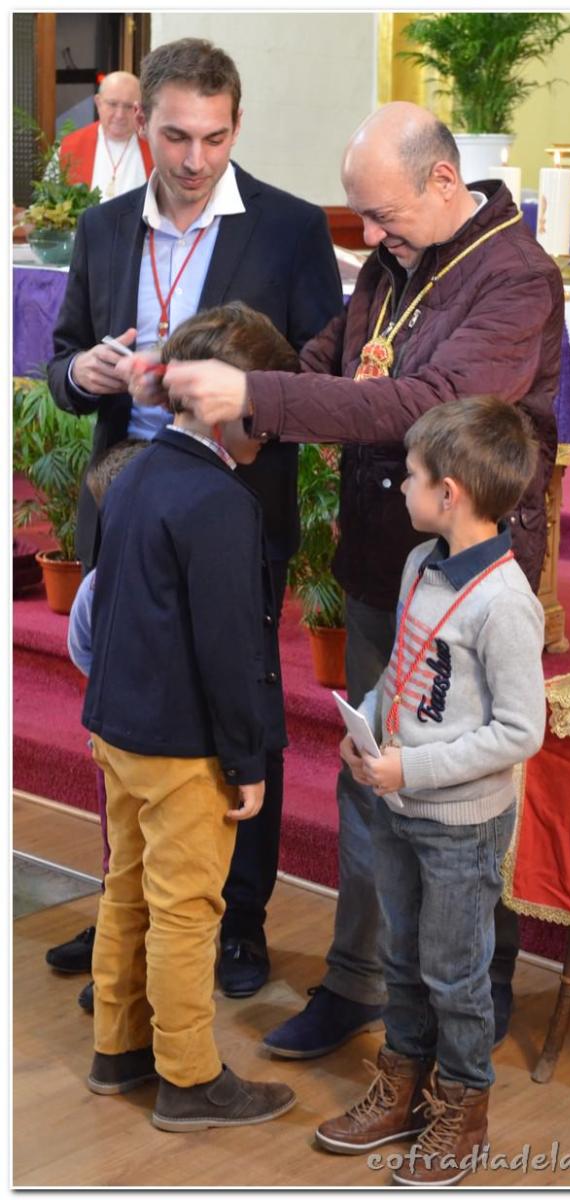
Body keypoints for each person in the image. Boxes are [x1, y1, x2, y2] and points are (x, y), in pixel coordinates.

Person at [160, 100, 564, 1058]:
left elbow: (427, 404)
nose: (370, 238)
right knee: (367, 774)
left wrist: (259, 396)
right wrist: (229, 401)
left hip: (472, 575)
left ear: (442, 180)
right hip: (389, 557)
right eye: (363, 218)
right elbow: (334, 359)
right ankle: (358, 981)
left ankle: (477, 979)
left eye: (382, 215)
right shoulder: (393, 261)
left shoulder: (515, 276)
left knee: (460, 795)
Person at [46, 36, 344, 1000]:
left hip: (233, 510)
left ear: (237, 125)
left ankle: (238, 920)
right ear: (142, 122)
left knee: (237, 710)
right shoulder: (104, 227)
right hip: (123, 504)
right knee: (127, 716)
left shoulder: (290, 228)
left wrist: (233, 393)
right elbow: (59, 365)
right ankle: (127, 909)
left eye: (215, 138)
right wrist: (87, 373)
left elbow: (320, 381)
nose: (193, 159)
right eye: (176, 136)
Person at [316, 396, 545, 1185]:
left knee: (455, 973)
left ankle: (462, 1108)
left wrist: (409, 770)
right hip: (398, 803)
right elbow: (401, 672)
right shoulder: (420, 563)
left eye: (409, 477)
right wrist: (367, 723)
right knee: (403, 956)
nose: (400, 488)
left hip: (459, 823)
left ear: (450, 493)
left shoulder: (506, 603)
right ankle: (403, 1087)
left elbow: (520, 732)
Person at [82, 302, 297, 1131]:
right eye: (262, 408)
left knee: (127, 890)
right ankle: (190, 1078)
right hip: (183, 747)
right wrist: (247, 759)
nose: (271, 428)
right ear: (222, 404)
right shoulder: (221, 502)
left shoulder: (137, 471)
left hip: (120, 725)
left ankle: (118, 1048)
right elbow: (229, 649)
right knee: (186, 911)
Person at [57, 72, 154, 201]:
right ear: (98, 103)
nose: (120, 115)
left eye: (129, 106)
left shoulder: (156, 148)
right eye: (113, 104)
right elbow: (47, 201)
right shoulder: (69, 148)